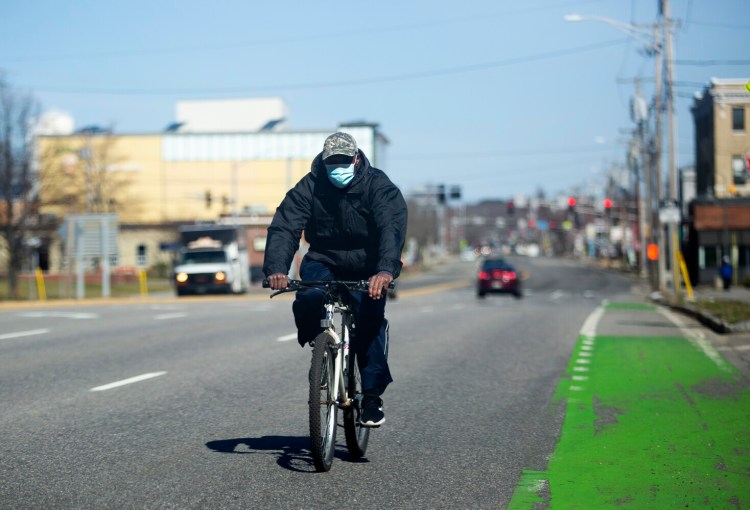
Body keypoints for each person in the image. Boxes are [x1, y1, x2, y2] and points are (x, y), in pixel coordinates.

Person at [263, 132, 408, 427]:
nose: (337, 168)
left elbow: (389, 229)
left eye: (344, 161)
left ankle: (371, 398)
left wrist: (384, 270)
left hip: (368, 264)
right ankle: (321, 350)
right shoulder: (311, 185)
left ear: (356, 159)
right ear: (324, 161)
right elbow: (285, 226)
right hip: (324, 259)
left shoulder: (378, 186)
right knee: (309, 296)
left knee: (370, 322)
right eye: (332, 162)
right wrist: (277, 269)